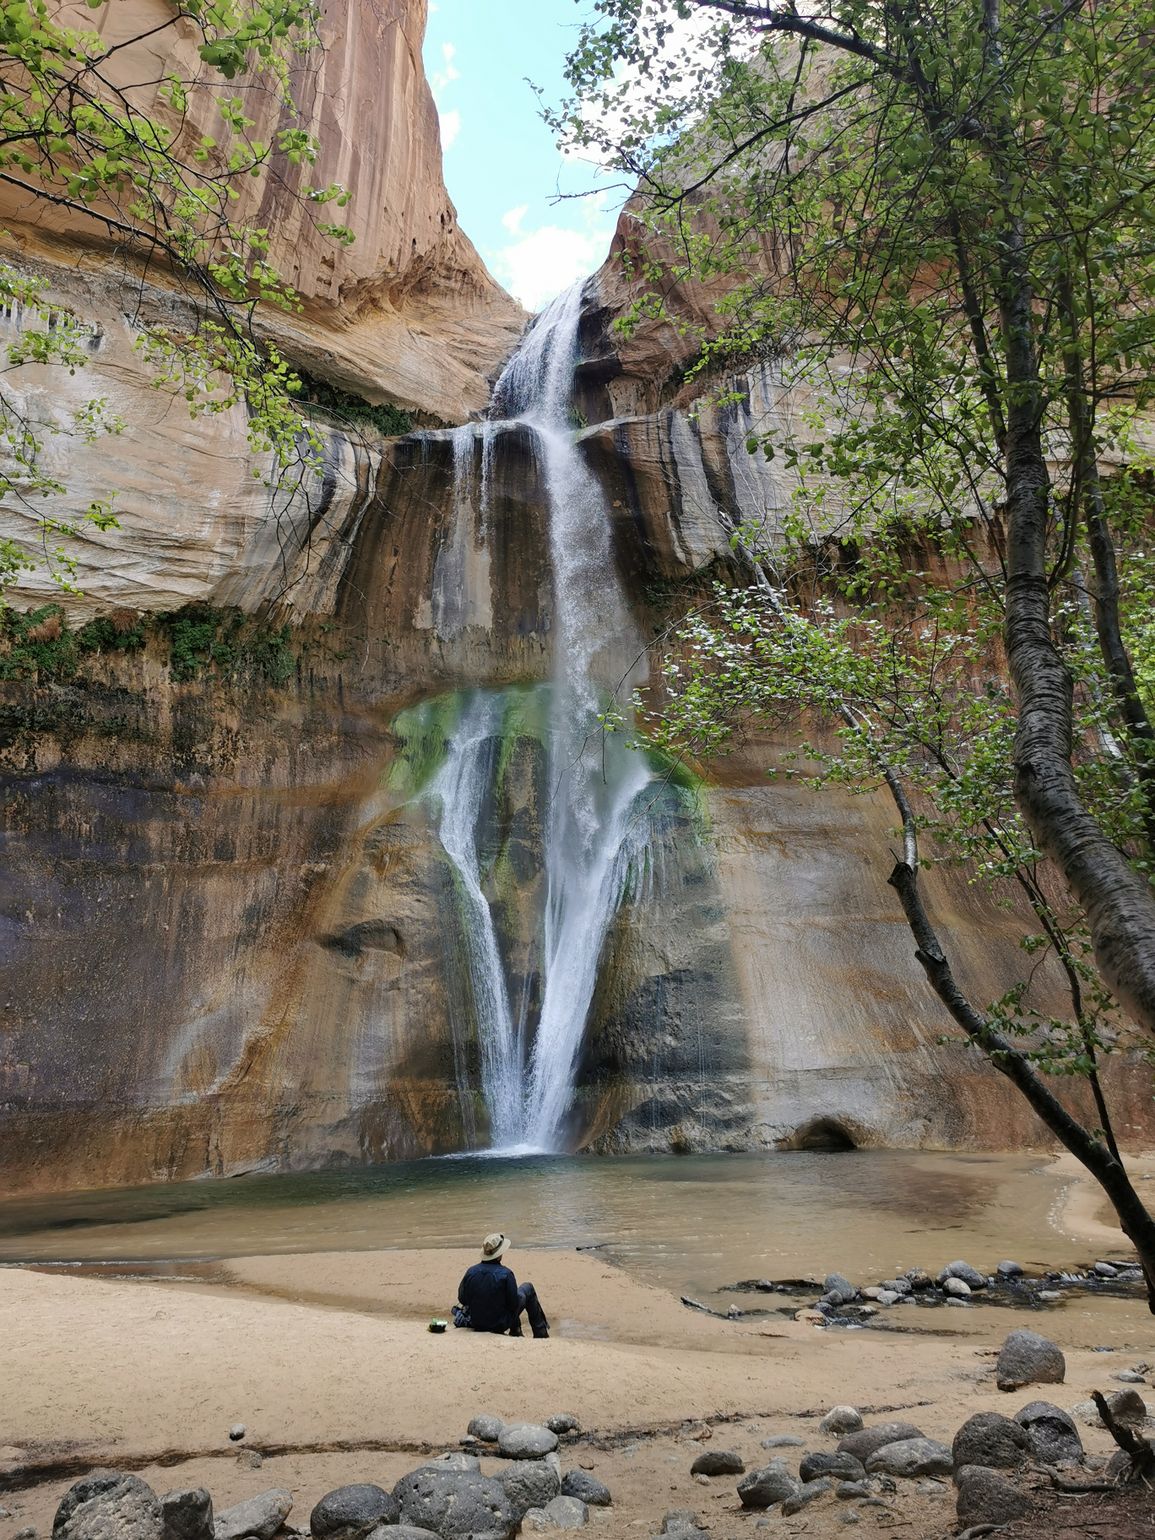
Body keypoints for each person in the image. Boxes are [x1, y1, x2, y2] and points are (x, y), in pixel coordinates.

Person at [455, 1231, 550, 1338]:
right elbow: (513, 1304)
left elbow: (462, 1298)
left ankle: (517, 1331)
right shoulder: (506, 1274)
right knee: (528, 1288)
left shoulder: (471, 1272)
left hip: (477, 1322)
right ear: (499, 1255)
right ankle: (540, 1333)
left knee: (507, 1298)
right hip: (499, 1324)